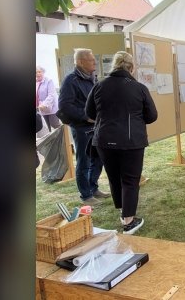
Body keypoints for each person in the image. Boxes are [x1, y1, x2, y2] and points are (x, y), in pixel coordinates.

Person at [86, 51, 158, 235]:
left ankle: (122, 211)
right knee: (130, 180)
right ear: (132, 67)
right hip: (131, 140)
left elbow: (90, 113)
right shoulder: (139, 88)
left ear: (114, 66)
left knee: (114, 177)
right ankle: (129, 221)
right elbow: (152, 116)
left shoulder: (99, 86)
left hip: (104, 140)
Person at [58, 48, 109, 205]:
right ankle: (86, 196)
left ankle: (93, 188)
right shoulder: (70, 80)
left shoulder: (92, 78)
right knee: (84, 161)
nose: (94, 61)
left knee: (98, 158)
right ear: (80, 62)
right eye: (91, 59)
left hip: (96, 126)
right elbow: (65, 106)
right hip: (81, 128)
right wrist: (86, 116)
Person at [36, 65, 61, 130]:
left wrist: (44, 104)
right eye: (36, 72)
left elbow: (51, 95)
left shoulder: (49, 81)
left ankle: (63, 138)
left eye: (39, 72)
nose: (38, 74)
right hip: (41, 108)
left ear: (43, 72)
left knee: (54, 124)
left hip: (51, 106)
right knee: (46, 127)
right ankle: (53, 140)